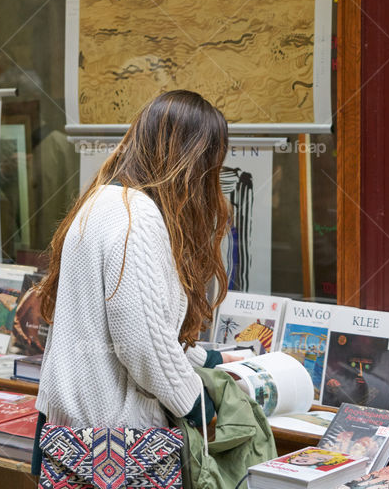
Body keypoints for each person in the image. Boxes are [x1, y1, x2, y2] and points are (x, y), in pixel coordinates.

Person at [34, 90, 238, 443]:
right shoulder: (137, 216)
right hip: (114, 445)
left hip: (74, 437)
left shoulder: (104, 199)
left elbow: (135, 329)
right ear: (191, 161)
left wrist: (210, 360)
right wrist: (199, 407)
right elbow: (140, 344)